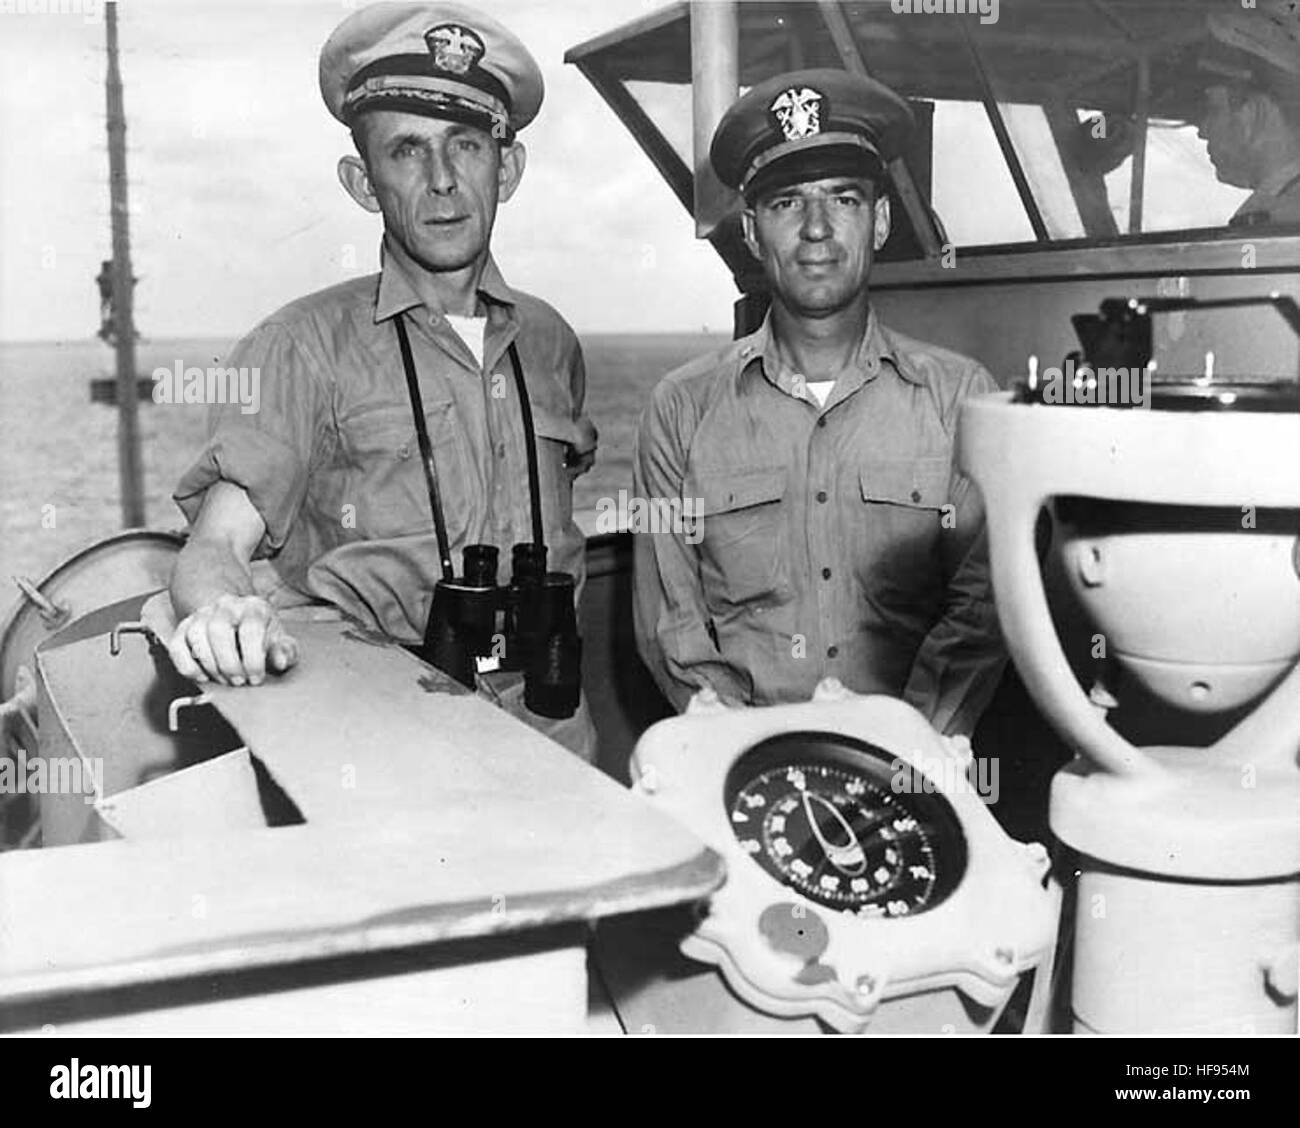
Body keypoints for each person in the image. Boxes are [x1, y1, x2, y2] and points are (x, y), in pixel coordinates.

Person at [166, 2, 598, 760]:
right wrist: (224, 614)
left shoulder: (552, 342)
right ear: (363, 183)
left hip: (554, 725)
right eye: (406, 151)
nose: (442, 181)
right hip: (375, 735)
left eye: (466, 145)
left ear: (510, 167)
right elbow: (213, 549)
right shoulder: (297, 347)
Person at [633, 69, 1004, 738]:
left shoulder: (960, 397)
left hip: (915, 764)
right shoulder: (680, 409)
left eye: (843, 198)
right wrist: (752, 755)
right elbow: (671, 624)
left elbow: (979, 610)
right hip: (740, 763)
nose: (815, 229)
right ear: (751, 232)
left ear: (881, 220)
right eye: (785, 203)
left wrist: (901, 747)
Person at [1198, 0, 1300, 227]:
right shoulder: (1275, 206)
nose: (1202, 132)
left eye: (1213, 110)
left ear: (1253, 115)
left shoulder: (1278, 219)